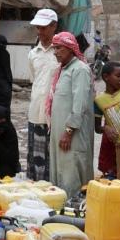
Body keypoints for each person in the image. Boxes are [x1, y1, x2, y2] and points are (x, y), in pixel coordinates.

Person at [46, 32, 95, 196]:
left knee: (72, 172)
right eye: (54, 48)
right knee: (60, 171)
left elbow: (79, 105)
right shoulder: (63, 70)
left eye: (58, 48)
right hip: (60, 133)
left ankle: (73, 213)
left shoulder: (80, 69)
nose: (55, 52)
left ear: (69, 48)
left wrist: (68, 131)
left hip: (72, 134)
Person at [27, 9, 61, 181]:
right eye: (38, 28)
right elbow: (35, 80)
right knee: (37, 155)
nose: (40, 31)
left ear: (54, 26)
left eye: (44, 27)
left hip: (57, 112)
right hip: (36, 111)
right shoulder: (33, 54)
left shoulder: (62, 52)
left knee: (56, 154)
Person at [95, 63, 120, 183]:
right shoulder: (98, 100)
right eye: (119, 76)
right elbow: (96, 127)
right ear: (106, 77)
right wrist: (105, 128)